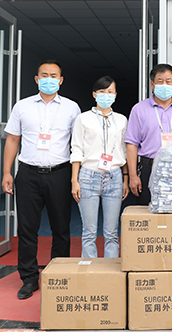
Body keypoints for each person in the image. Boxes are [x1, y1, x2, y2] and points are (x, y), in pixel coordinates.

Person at [2, 60, 80, 300]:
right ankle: (29, 278)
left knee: (61, 228)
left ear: (61, 80)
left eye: (53, 75)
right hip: (28, 174)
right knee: (27, 228)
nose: (49, 79)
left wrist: (76, 177)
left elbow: (78, 143)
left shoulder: (71, 108)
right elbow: (13, 139)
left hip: (60, 173)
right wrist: (6, 172)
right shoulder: (22, 106)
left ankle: (59, 275)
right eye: (44, 75)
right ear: (36, 79)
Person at [70, 76, 129, 258]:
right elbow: (77, 149)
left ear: (115, 95)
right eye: (102, 92)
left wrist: (125, 179)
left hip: (114, 177)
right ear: (94, 94)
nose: (106, 95)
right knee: (89, 232)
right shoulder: (83, 119)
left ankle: (110, 271)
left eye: (110, 92)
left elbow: (124, 151)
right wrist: (74, 180)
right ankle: (90, 270)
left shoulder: (122, 120)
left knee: (112, 232)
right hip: (88, 177)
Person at [125, 63, 172, 205]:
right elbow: (132, 144)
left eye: (168, 81)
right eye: (160, 81)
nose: (164, 85)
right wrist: (133, 176)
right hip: (149, 167)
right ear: (152, 84)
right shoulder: (139, 109)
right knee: (147, 211)